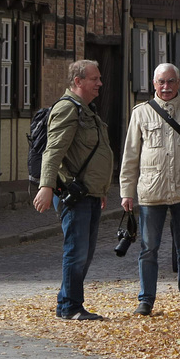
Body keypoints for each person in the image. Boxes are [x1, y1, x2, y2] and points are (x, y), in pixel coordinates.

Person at [120, 63, 180, 316]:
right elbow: (130, 156)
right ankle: (146, 300)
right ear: (153, 84)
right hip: (151, 192)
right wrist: (126, 192)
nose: (166, 87)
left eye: (171, 81)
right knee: (148, 248)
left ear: (179, 83)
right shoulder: (141, 113)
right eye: (161, 82)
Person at [33, 59, 114, 321]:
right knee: (76, 253)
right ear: (78, 82)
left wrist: (101, 189)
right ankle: (70, 307)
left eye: (99, 78)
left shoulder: (86, 110)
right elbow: (53, 151)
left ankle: (67, 302)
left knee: (84, 253)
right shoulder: (69, 109)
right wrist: (45, 186)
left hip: (89, 194)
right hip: (74, 196)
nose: (100, 83)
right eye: (95, 79)